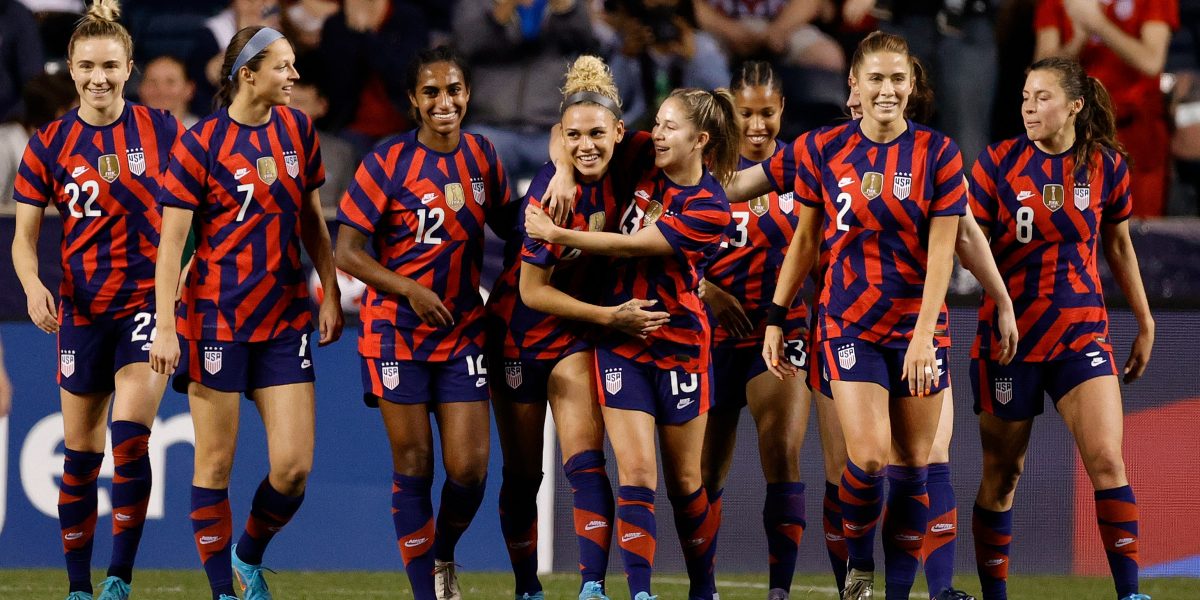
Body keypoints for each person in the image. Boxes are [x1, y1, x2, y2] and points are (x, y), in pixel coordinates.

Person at [727, 30, 965, 600]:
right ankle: (859, 566)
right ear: (854, 84)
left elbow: (942, 255)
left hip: (918, 328)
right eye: (876, 78)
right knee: (869, 457)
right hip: (847, 322)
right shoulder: (822, 148)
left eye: (898, 79)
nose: (888, 90)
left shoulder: (939, 152)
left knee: (913, 466)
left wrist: (925, 336)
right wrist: (778, 316)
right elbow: (804, 239)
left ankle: (899, 592)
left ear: (911, 85)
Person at [149, 24, 343, 600]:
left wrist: (329, 287)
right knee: (214, 465)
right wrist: (165, 325)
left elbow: (312, 219)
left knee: (293, 469)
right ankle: (222, 593)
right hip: (216, 320)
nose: (294, 76)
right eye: (283, 66)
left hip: (284, 319)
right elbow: (170, 247)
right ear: (248, 73)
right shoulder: (200, 142)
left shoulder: (298, 129)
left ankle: (248, 554)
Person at [526, 87, 738, 600]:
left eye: (670, 127)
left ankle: (703, 588)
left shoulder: (710, 207)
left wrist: (559, 236)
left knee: (688, 484)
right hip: (621, 338)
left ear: (700, 140)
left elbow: (633, 244)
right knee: (637, 471)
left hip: (682, 342)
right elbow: (570, 130)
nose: (657, 133)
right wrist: (560, 170)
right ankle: (639, 592)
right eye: (658, 122)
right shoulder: (642, 153)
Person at [10, 2, 183, 599]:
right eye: (87, 66)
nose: (98, 77)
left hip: (143, 304)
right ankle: (79, 587)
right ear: (73, 68)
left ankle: (119, 579)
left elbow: (195, 217)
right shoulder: (49, 145)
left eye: (110, 65)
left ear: (129, 67)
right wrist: (33, 287)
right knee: (81, 455)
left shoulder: (162, 130)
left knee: (130, 435)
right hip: (81, 311)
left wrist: (174, 300)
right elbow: (24, 241)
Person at [967, 56, 1154, 600]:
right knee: (1003, 477)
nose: (1029, 107)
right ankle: (995, 595)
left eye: (1042, 97)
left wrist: (1143, 321)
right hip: (1009, 341)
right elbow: (966, 239)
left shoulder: (1106, 166)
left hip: (1080, 336)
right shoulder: (997, 164)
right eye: (1025, 97)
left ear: (1074, 105)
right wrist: (998, 298)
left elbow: (1118, 246)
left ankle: (1131, 593)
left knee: (1107, 459)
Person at [486, 54, 670, 600]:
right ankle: (526, 587)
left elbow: (677, 141)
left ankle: (592, 586)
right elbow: (532, 290)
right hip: (521, 329)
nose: (586, 145)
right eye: (574, 137)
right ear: (560, 138)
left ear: (618, 131)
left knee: (585, 461)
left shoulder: (633, 154)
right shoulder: (550, 192)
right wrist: (610, 317)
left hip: (573, 333)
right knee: (523, 476)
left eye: (596, 133)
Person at [334, 45, 511, 600]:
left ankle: (443, 553)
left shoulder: (483, 155)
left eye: (453, 90)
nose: (444, 101)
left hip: (462, 331)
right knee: (414, 464)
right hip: (395, 332)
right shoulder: (385, 163)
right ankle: (424, 591)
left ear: (467, 95)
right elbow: (348, 252)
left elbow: (511, 225)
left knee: (470, 471)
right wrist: (408, 289)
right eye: (431, 92)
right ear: (413, 101)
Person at [694, 61, 811, 600]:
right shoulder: (702, 166)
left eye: (768, 112)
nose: (758, 124)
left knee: (783, 451)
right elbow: (659, 245)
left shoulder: (804, 166)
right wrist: (708, 292)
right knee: (704, 471)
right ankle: (705, 588)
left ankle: (779, 592)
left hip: (781, 328)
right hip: (710, 334)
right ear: (729, 110)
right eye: (746, 113)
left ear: (782, 108)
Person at [1034, 0, 1178, 217]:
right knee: (1069, 231)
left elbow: (1151, 61)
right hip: (1075, 136)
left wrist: (1098, 23)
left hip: (1135, 134)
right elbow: (1041, 74)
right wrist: (1077, 41)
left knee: (1139, 234)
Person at [137, 55, 199, 128]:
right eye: (152, 81)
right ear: (141, 89)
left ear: (189, 89)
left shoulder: (206, 136)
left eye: (170, 82)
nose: (161, 90)